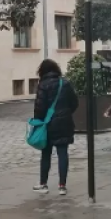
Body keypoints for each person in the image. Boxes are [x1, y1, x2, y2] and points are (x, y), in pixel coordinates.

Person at [32, 59, 78, 195]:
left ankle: (43, 184)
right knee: (63, 153)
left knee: (46, 154)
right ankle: (62, 186)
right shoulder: (65, 83)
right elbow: (74, 102)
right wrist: (66, 113)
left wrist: (38, 122)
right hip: (65, 123)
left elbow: (39, 108)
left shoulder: (43, 85)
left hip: (48, 124)